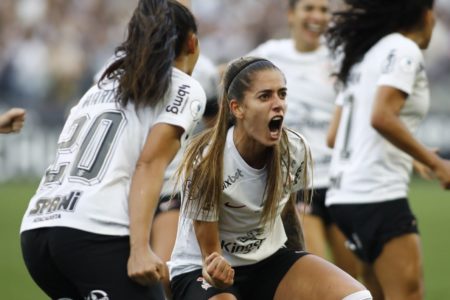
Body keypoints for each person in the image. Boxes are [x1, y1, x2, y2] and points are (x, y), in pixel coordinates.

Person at [19, 1, 206, 299]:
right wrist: (140, 249)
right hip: (95, 232)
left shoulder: (100, 85)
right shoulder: (184, 87)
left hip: (37, 232)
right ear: (192, 42)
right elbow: (149, 165)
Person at [168, 56, 372, 300]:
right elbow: (210, 260)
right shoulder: (208, 162)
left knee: (357, 297)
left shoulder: (294, 149)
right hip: (202, 270)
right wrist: (217, 274)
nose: (278, 104)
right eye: (265, 96)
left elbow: (286, 212)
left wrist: (300, 265)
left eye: (282, 94)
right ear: (237, 108)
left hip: (268, 261)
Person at [325, 0, 450, 299]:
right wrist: (437, 163)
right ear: (425, 13)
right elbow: (382, 116)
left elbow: (334, 136)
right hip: (377, 196)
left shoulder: (362, 56)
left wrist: (410, 154)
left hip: (343, 198)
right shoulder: (403, 50)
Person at [246, 0, 360, 278]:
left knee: (353, 280)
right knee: (317, 277)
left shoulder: (343, 56)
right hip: (297, 183)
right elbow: (232, 79)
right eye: (309, 8)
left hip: (341, 182)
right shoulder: (270, 54)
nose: (317, 16)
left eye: (323, 10)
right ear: (291, 15)